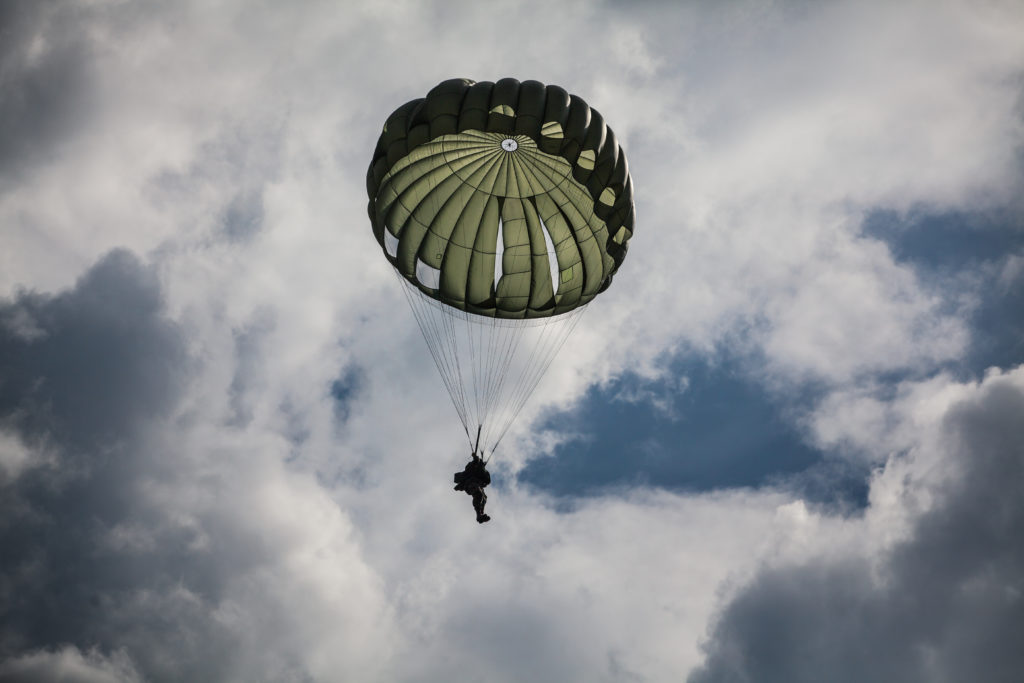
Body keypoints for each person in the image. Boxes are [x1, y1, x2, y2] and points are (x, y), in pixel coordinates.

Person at [454, 452, 491, 523]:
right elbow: (471, 466)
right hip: (470, 484)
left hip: (477, 485)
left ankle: (481, 513)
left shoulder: (483, 471)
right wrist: (475, 458)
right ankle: (479, 514)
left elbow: (487, 481)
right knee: (479, 494)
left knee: (484, 498)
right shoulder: (472, 467)